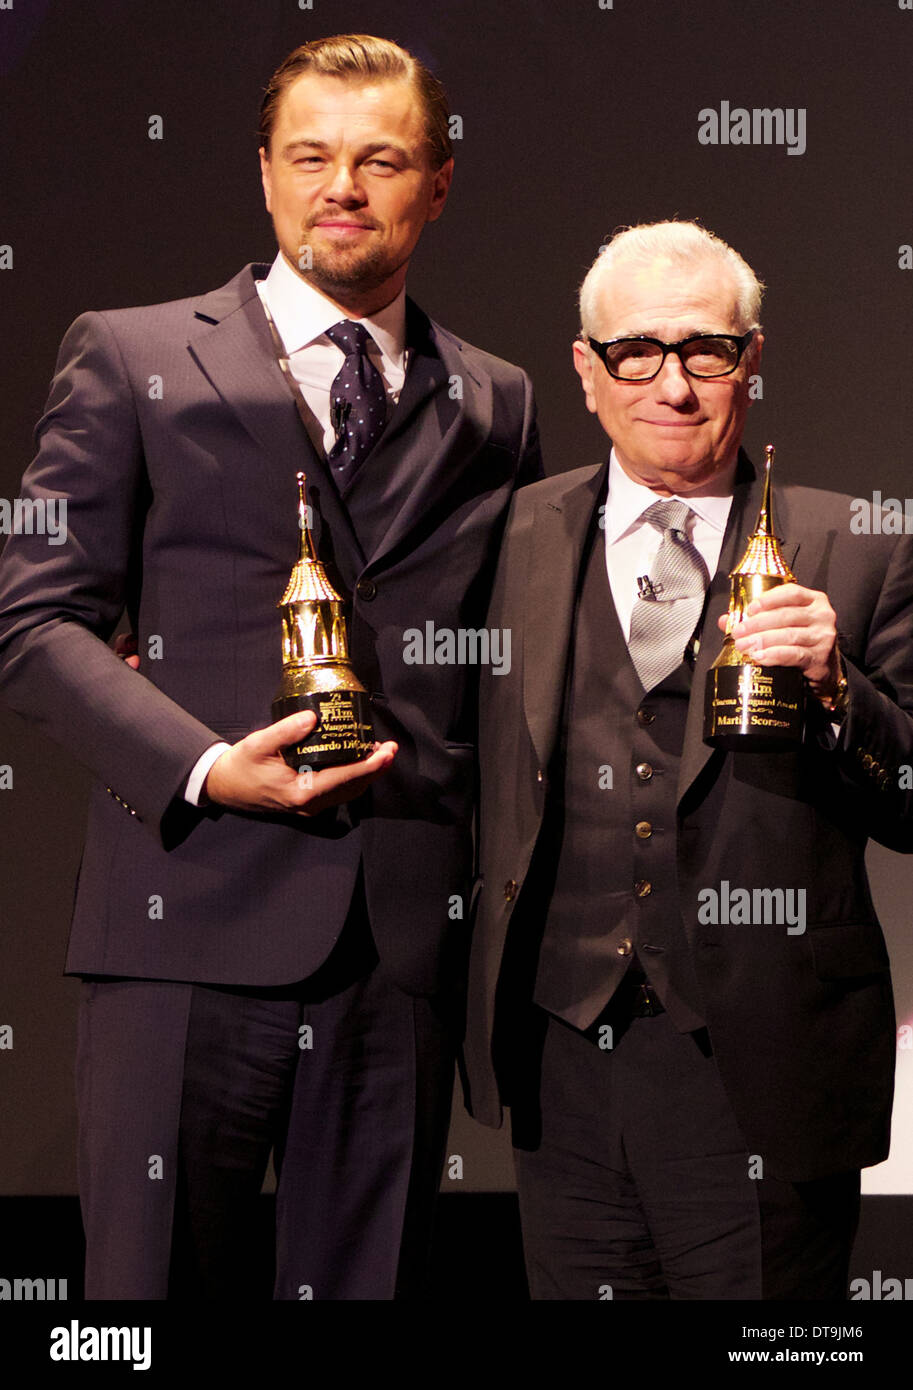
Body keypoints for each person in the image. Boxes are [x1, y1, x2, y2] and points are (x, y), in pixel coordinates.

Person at [0, 33, 540, 1299]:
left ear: (439, 183)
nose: (340, 185)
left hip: (398, 949)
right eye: (310, 156)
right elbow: (29, 618)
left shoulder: (500, 402)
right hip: (180, 920)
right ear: (264, 175)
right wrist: (197, 765)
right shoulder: (133, 356)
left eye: (380, 158)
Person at [461, 220, 913, 1299]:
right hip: (562, 1058)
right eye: (637, 353)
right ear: (587, 369)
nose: (672, 385)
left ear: (749, 362)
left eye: (705, 351)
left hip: (767, 1072)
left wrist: (835, 690)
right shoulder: (508, 538)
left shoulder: (858, 545)